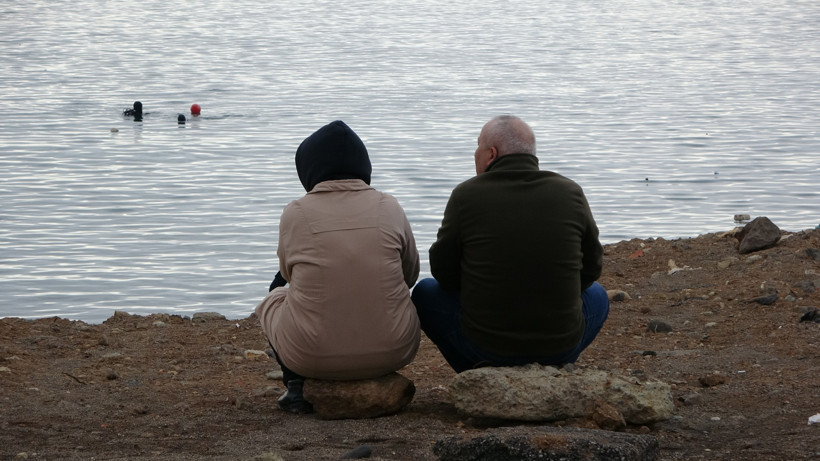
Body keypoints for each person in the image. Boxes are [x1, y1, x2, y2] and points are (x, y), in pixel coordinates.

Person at [411, 115, 609, 373]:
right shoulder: (570, 192)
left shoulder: (466, 195)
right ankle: (553, 367)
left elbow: (443, 272)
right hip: (560, 345)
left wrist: (482, 288)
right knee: (599, 295)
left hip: (486, 347)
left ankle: (476, 371)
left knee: (424, 292)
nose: (475, 153)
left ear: (491, 154)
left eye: (478, 146)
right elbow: (592, 268)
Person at [255, 120, 421, 413]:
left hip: (311, 356)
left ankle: (296, 386)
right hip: (395, 351)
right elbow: (410, 275)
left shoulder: (296, 212)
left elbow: (289, 274)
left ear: (308, 167)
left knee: (276, 291)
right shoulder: (389, 206)